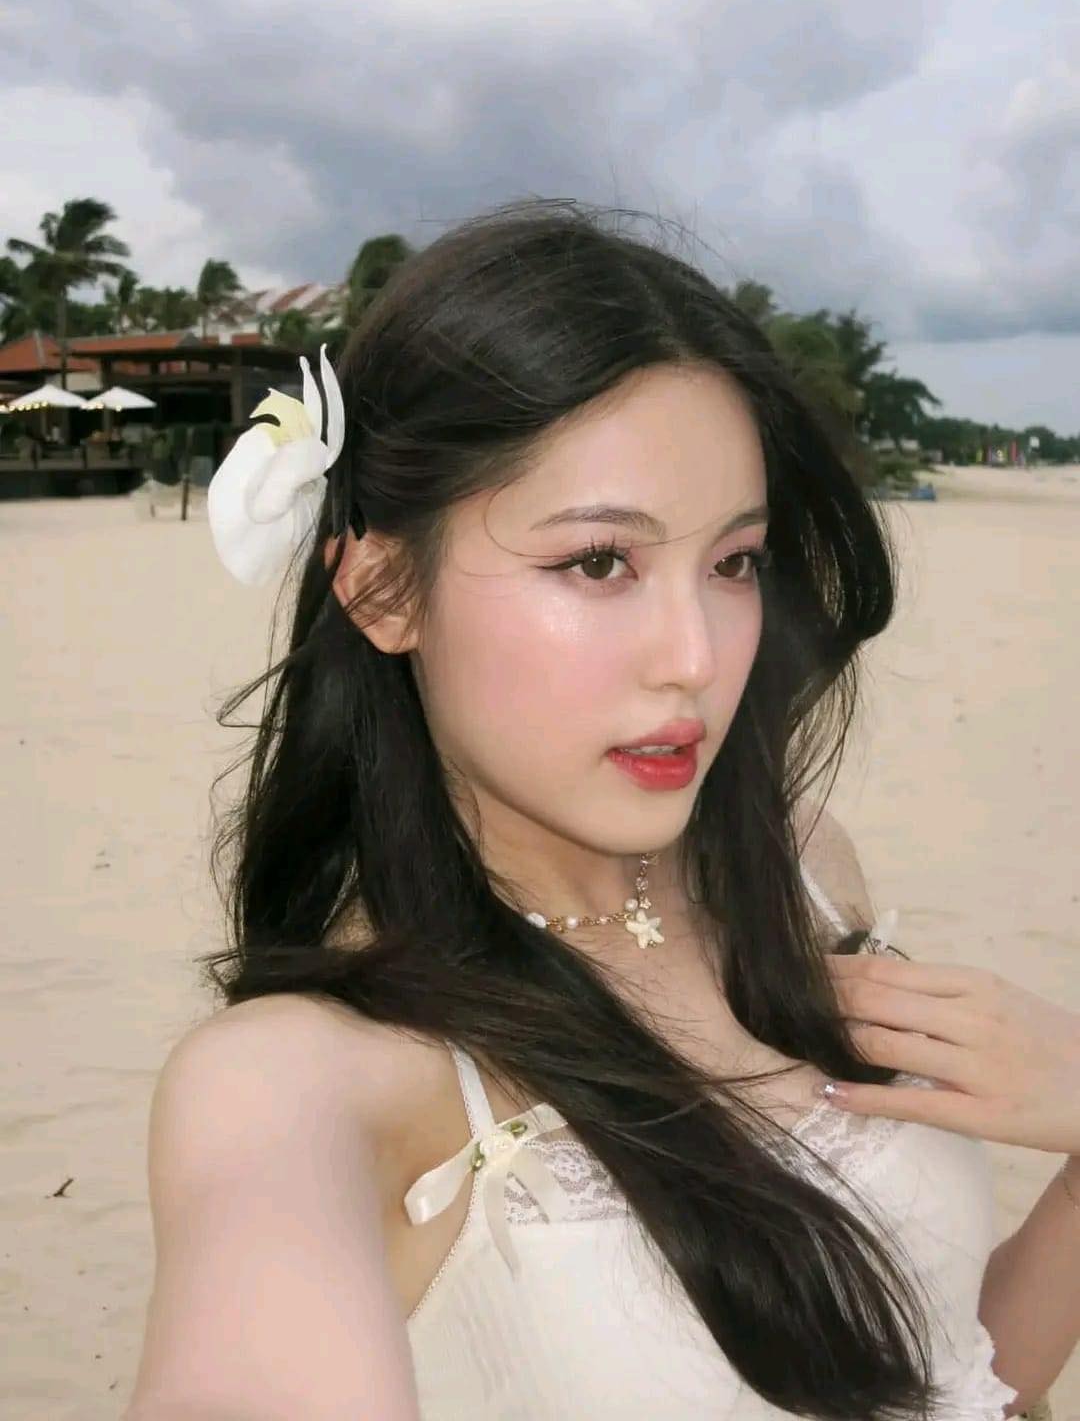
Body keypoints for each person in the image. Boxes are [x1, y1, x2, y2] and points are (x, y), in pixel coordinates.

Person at [123, 201, 1078, 1421]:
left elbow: (944, 1371)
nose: (696, 658)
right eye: (597, 562)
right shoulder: (303, 1080)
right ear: (383, 590)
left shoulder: (803, 875)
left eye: (734, 563)